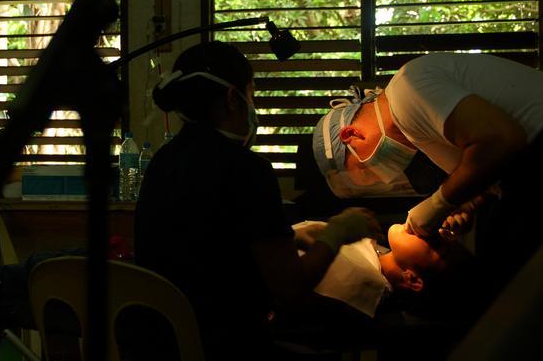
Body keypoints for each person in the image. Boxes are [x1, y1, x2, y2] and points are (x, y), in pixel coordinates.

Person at [134, 41, 381, 361]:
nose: (253, 105)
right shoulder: (247, 170)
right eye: (251, 93)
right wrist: (339, 232)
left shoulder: (163, 161)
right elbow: (290, 292)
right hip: (225, 345)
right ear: (232, 98)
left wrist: (294, 237)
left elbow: (210, 244)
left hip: (164, 344)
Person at [312, 52, 543, 289]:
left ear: (351, 134)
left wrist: (440, 202)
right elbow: (493, 167)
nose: (384, 175)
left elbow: (502, 140)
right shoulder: (414, 128)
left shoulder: (407, 92)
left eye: (367, 169)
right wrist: (466, 202)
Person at [294, 221, 478, 320]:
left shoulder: (353, 279)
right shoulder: (378, 259)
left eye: (435, 244)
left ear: (412, 279)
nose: (431, 232)